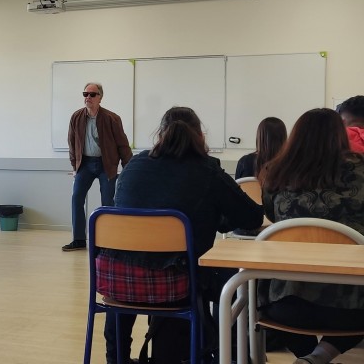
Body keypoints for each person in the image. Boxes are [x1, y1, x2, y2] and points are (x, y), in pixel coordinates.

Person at [101, 107, 264, 364]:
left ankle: (116, 358)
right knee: (232, 279)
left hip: (116, 277)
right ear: (200, 136)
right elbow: (252, 218)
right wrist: (218, 218)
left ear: (160, 134)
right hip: (174, 282)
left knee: (140, 261)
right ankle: (224, 353)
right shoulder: (207, 170)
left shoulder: (135, 165)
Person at [260, 108, 364, 364]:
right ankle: (319, 356)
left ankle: (309, 356)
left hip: (286, 305)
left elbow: (273, 217)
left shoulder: (275, 173)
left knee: (250, 289)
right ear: (340, 135)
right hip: (353, 308)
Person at [62, 82, 132, 252]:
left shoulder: (111, 118)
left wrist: (128, 169)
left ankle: (107, 242)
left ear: (100, 97)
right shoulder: (76, 117)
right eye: (85, 94)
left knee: (107, 202)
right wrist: (75, 166)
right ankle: (79, 239)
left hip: (105, 164)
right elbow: (72, 143)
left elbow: (122, 145)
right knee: (76, 198)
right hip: (84, 164)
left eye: (92, 94)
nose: (88, 97)